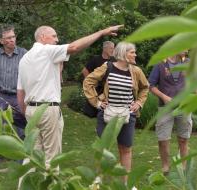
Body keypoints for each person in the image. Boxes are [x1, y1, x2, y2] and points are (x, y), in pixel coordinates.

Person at [17, 25, 123, 169]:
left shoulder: (24, 59)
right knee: (52, 159)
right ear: (42, 37)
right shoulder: (46, 51)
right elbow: (73, 47)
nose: (57, 40)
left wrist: (27, 113)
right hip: (47, 110)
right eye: (54, 36)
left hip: (31, 111)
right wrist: (102, 32)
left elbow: (20, 92)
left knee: (31, 157)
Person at [83, 42, 149, 183]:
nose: (135, 54)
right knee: (102, 149)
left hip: (127, 115)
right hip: (107, 114)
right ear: (123, 53)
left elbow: (145, 88)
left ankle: (125, 184)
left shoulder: (136, 71)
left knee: (125, 149)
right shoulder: (107, 67)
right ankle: (98, 182)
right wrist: (97, 102)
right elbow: (88, 82)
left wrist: (139, 102)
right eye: (132, 52)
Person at [148, 53, 192, 175]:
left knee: (183, 139)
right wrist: (164, 97)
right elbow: (150, 85)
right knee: (163, 139)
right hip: (165, 108)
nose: (187, 50)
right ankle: (165, 167)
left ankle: (183, 167)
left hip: (184, 107)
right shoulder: (160, 63)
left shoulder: (188, 62)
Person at [0, 25, 27, 139]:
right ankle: (8, 150)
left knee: (23, 126)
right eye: (8, 38)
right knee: (4, 127)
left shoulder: (24, 53)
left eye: (13, 37)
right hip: (2, 97)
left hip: (19, 96)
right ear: (2, 41)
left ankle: (24, 153)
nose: (12, 40)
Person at [82, 41, 115, 118]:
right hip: (97, 89)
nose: (113, 50)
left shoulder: (114, 61)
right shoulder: (96, 59)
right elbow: (85, 71)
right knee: (93, 110)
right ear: (104, 48)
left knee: (106, 110)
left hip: (108, 89)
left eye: (113, 48)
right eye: (111, 48)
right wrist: (92, 82)